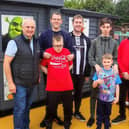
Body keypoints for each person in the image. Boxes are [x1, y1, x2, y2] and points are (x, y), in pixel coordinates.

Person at [39, 11, 74, 127]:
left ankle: (61, 118)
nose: (56, 21)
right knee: (51, 100)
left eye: (58, 19)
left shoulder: (66, 35)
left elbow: (70, 52)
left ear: (61, 21)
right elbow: (39, 51)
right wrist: (43, 54)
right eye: (54, 19)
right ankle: (49, 117)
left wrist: (64, 69)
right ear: (51, 20)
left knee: (65, 102)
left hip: (63, 75)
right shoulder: (44, 35)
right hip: (50, 72)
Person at [3, 18, 40, 129]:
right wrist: (10, 83)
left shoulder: (36, 41)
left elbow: (36, 59)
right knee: (20, 109)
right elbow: (6, 63)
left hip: (32, 83)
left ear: (35, 29)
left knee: (27, 107)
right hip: (19, 84)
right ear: (22, 28)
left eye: (32, 27)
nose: (30, 29)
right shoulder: (14, 42)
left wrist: (37, 75)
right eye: (27, 27)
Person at [87, 17, 118, 127]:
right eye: (103, 27)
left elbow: (115, 58)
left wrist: (115, 65)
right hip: (97, 75)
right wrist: (95, 65)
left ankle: (106, 119)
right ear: (100, 27)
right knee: (94, 97)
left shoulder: (114, 43)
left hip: (109, 77)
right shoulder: (94, 42)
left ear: (110, 28)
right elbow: (90, 57)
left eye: (107, 27)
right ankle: (92, 117)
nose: (105, 29)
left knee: (106, 98)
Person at [70, 14, 91, 121]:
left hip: (82, 73)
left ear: (83, 24)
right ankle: (68, 113)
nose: (78, 24)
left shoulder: (87, 40)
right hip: (69, 73)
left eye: (80, 22)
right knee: (68, 94)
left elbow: (89, 57)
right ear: (73, 23)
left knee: (79, 93)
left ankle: (77, 112)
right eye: (76, 22)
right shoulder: (67, 37)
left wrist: (87, 73)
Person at [92, 53, 121, 129]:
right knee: (99, 114)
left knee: (107, 114)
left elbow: (117, 86)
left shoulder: (114, 73)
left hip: (110, 99)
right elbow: (93, 86)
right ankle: (98, 126)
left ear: (111, 62)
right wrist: (97, 81)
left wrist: (117, 97)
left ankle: (107, 126)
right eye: (105, 62)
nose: (106, 64)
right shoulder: (99, 72)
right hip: (100, 99)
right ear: (102, 62)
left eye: (108, 62)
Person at [112, 37, 129, 124]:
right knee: (122, 97)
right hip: (123, 75)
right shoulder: (123, 43)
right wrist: (124, 71)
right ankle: (122, 115)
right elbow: (118, 58)